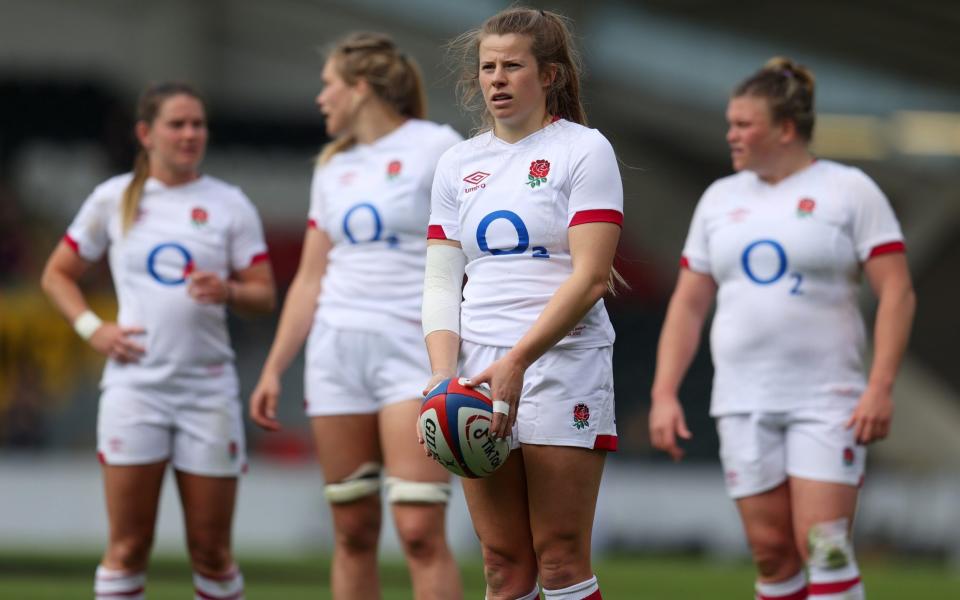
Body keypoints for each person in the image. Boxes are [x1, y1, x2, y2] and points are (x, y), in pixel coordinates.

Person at [649, 57, 916, 600]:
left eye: (744, 124)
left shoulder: (850, 190)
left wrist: (880, 387)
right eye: (731, 123)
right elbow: (689, 305)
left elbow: (898, 293)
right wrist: (663, 394)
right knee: (771, 554)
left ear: (786, 129)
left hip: (827, 398)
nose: (732, 134)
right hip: (742, 399)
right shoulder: (719, 199)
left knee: (825, 543)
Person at [40, 82, 276, 600]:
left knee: (212, 552)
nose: (190, 134)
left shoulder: (228, 203)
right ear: (146, 133)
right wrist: (92, 329)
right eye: (177, 124)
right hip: (135, 390)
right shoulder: (113, 198)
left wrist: (230, 289)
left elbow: (264, 294)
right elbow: (57, 275)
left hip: (207, 390)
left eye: (198, 124)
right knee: (127, 546)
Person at [248, 32, 464, 600]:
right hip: (336, 355)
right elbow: (311, 278)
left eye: (328, 86)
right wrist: (274, 368)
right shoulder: (333, 167)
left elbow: (466, 250)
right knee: (352, 530)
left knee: (418, 531)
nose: (321, 99)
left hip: (410, 354)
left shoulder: (436, 145)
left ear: (360, 89)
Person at [421, 8, 624, 600]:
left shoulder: (584, 150)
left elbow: (590, 279)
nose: (497, 79)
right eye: (488, 67)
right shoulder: (458, 163)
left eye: (513, 66)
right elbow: (439, 282)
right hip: (476, 369)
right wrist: (441, 378)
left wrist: (519, 360)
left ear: (551, 75)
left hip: (562, 362)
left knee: (559, 560)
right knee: (502, 565)